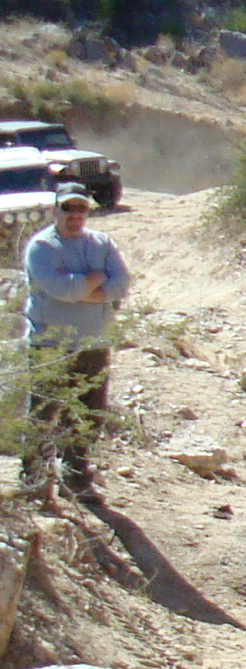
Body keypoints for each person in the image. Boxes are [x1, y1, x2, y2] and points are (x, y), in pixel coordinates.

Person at [19, 184, 127, 492]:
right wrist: (96, 279)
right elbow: (59, 289)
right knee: (43, 414)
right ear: (56, 211)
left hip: (93, 343)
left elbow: (121, 285)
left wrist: (80, 291)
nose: (75, 215)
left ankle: (75, 477)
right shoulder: (42, 246)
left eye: (81, 208)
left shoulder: (102, 243)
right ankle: (34, 480)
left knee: (87, 415)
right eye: (68, 208)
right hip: (49, 346)